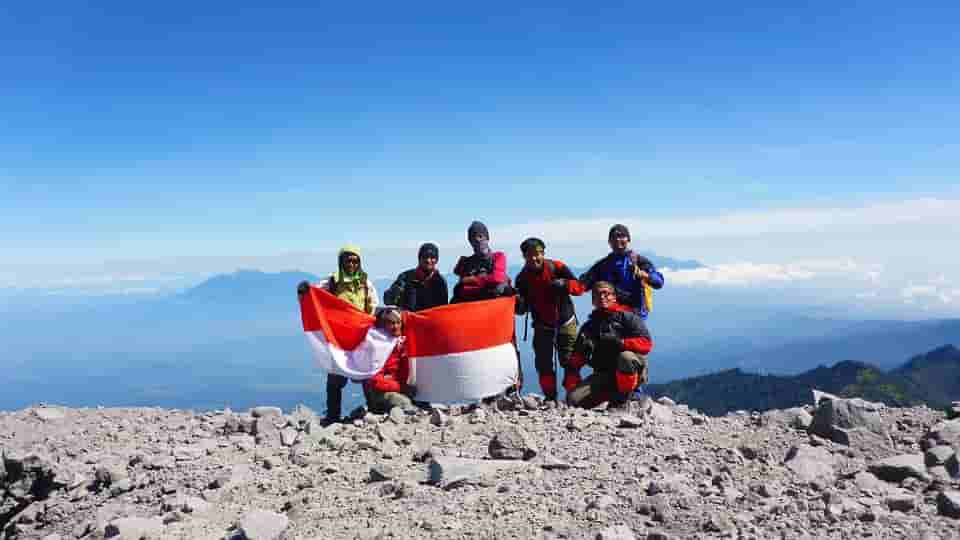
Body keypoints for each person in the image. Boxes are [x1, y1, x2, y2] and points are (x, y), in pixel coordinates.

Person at [297, 244, 378, 424]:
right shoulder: (331, 282)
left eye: (355, 260)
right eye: (348, 260)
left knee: (367, 374)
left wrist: (369, 324)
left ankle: (375, 410)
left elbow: (372, 306)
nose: (352, 264)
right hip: (338, 338)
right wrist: (304, 292)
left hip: (360, 336)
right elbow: (314, 296)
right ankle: (333, 415)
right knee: (335, 376)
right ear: (341, 261)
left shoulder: (365, 283)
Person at [514, 237, 586, 402]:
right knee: (544, 364)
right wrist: (517, 301)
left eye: (537, 254)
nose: (534, 258)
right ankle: (550, 398)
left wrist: (565, 284)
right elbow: (521, 310)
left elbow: (580, 287)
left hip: (565, 322)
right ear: (524, 257)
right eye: (529, 255)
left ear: (543, 253)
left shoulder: (557, 267)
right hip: (542, 325)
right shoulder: (522, 278)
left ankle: (573, 397)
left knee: (570, 361)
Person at [566, 281, 653, 410]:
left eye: (606, 294)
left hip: (631, 371)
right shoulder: (589, 326)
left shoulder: (628, 317)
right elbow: (576, 358)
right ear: (593, 301)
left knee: (626, 357)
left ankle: (622, 401)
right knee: (573, 399)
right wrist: (572, 381)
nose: (602, 297)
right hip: (604, 375)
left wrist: (621, 343)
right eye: (597, 295)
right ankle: (611, 396)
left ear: (614, 297)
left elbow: (647, 344)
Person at [578, 224, 664, 320]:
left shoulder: (639, 261)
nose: (618, 240)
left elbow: (659, 282)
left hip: (633, 316)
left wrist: (646, 276)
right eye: (614, 237)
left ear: (628, 239)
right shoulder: (602, 265)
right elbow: (582, 285)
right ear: (609, 242)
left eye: (622, 236)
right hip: (609, 316)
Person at [364, 308, 417, 413]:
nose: (396, 326)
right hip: (381, 392)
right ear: (384, 325)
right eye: (391, 323)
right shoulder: (378, 346)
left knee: (416, 397)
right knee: (405, 403)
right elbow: (375, 381)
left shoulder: (402, 342)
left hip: (399, 388)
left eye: (398, 322)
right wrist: (399, 387)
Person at [451, 221, 512, 303]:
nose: (477, 240)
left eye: (480, 236)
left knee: (501, 287)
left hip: (495, 308)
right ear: (470, 242)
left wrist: (473, 280)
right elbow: (462, 289)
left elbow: (497, 278)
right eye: (473, 238)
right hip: (474, 309)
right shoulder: (466, 262)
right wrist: (487, 283)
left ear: (487, 238)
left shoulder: (498, 257)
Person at [383, 242, 449, 311]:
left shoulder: (440, 281)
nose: (428, 260)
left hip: (431, 320)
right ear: (419, 259)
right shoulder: (405, 277)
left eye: (432, 257)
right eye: (425, 257)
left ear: (437, 260)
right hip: (409, 319)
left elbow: (444, 308)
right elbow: (387, 301)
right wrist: (393, 294)